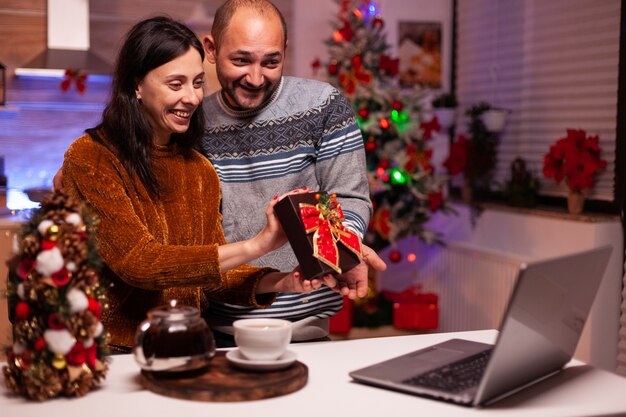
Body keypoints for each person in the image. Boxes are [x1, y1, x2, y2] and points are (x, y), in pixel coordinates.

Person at [60, 16, 336, 353]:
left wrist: (282, 282)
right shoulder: (92, 157)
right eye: (175, 84)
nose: (192, 98)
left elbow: (212, 277)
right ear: (136, 85)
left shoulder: (199, 169)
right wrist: (256, 245)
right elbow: (139, 263)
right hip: (110, 354)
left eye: (197, 83)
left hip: (187, 346)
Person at [201, 0, 385, 346]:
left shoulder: (323, 106)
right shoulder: (193, 124)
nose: (256, 78)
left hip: (307, 326)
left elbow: (350, 197)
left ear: (285, 50)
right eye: (241, 60)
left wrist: (344, 249)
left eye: (271, 62)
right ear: (211, 49)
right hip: (218, 329)